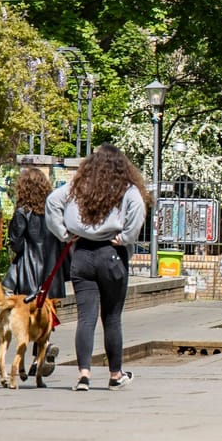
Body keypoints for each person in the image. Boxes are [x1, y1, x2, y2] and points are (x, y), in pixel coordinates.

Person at [45, 145, 147, 392]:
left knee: (85, 319)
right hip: (112, 253)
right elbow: (138, 211)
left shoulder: (77, 187)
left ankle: (83, 375)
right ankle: (115, 375)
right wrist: (125, 237)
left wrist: (65, 233)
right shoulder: (127, 189)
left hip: (82, 254)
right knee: (112, 318)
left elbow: (51, 202)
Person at [6, 166, 58, 297]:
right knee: (48, 312)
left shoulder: (23, 212)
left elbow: (16, 243)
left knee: (27, 312)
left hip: (28, 269)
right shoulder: (52, 210)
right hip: (52, 271)